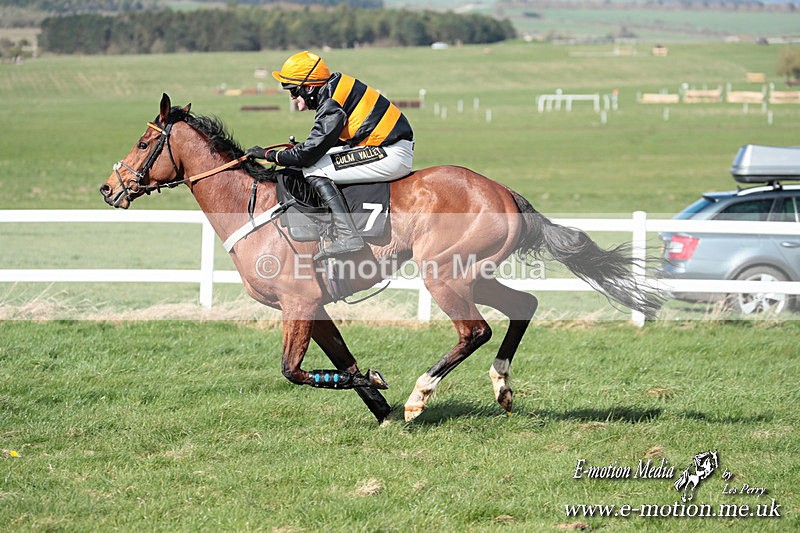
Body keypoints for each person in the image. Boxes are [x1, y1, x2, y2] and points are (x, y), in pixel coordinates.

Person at [247, 51, 414, 261]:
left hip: (390, 152)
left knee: (313, 169)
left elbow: (307, 157)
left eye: (293, 91)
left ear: (308, 87)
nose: (292, 98)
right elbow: (322, 143)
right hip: (385, 146)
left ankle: (348, 234)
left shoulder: (331, 103)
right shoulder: (334, 87)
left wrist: (269, 155)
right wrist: (299, 149)